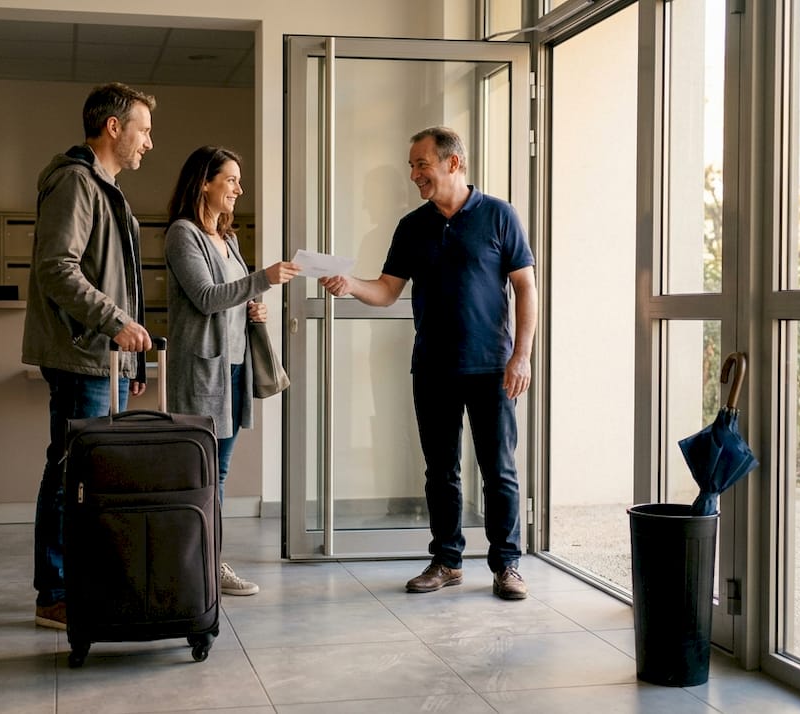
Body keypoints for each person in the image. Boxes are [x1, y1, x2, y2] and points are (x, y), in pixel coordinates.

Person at [319, 126, 537, 601]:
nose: (414, 174)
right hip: (433, 368)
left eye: (422, 164)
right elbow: (387, 289)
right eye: (412, 166)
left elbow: (526, 288)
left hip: (492, 368)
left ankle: (508, 565)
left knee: (498, 469)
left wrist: (521, 356)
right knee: (440, 471)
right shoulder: (412, 226)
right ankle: (447, 561)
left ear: (453, 163)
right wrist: (350, 284)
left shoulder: (500, 216)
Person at [21, 82, 157, 628]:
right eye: (144, 130)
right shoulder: (76, 182)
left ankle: (78, 580)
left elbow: (116, 281)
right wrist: (116, 322)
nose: (150, 142)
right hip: (84, 358)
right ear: (114, 127)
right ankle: (54, 594)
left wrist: (134, 363)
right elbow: (57, 268)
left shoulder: (103, 186)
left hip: (106, 360)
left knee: (90, 476)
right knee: (69, 474)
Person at [162, 146, 301, 596]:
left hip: (234, 369)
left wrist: (251, 308)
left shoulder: (229, 238)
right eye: (231, 180)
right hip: (204, 371)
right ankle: (202, 565)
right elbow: (205, 296)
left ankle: (206, 562)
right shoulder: (183, 235)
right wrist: (262, 278)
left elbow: (229, 299)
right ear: (205, 182)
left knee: (217, 473)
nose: (239, 189)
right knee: (201, 473)